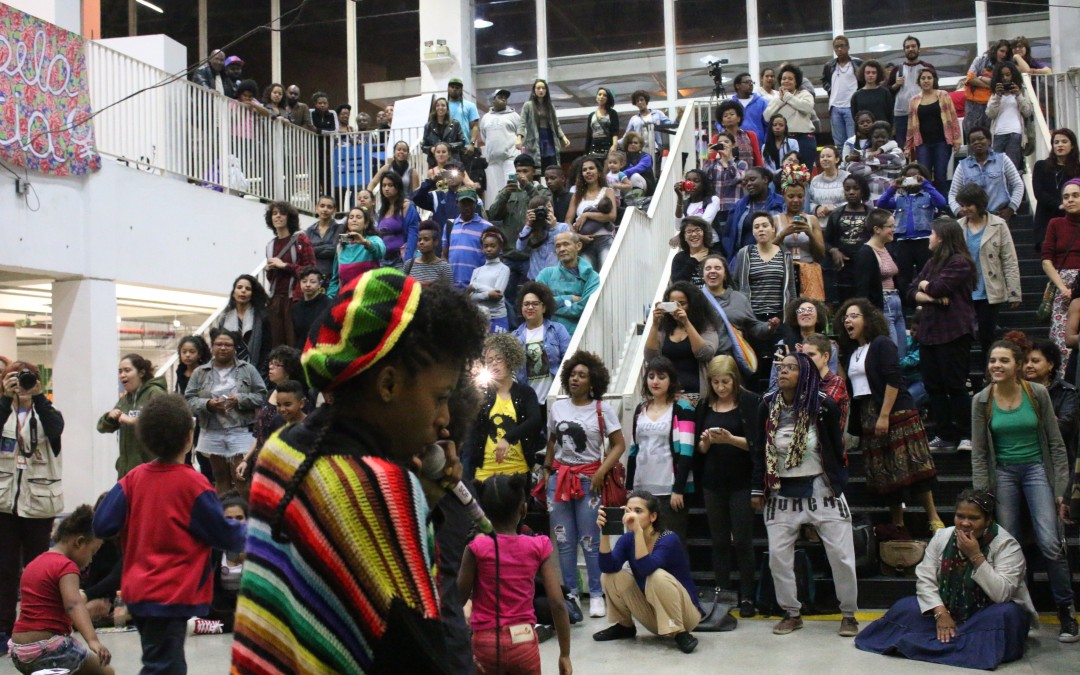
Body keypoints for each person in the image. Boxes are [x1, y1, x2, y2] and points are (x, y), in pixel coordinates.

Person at [231, 269, 487, 674]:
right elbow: (417, 652)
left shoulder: (280, 450)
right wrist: (415, 503)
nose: (444, 419)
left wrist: (426, 500)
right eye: (440, 397)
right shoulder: (385, 487)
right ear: (388, 385)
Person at [94, 395, 246, 674]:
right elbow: (227, 536)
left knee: (164, 661)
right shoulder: (194, 484)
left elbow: (102, 524)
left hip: (138, 591)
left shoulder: (133, 479)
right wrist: (257, 529)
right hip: (172, 594)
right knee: (164, 666)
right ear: (189, 438)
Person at [855, 489, 1037, 669]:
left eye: (973, 518)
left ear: (988, 520)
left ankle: (929, 644)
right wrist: (941, 613)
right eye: (960, 516)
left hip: (985, 614)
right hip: (948, 609)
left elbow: (1001, 594)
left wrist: (975, 555)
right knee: (905, 607)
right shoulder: (943, 537)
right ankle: (959, 644)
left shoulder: (1006, 545)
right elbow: (925, 579)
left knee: (1006, 614)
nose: (965, 523)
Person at [970, 341, 1079, 641]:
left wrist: (1061, 487)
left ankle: (1066, 611)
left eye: (1004, 360)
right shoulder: (981, 400)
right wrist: (982, 494)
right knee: (1010, 545)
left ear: (1017, 365)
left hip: (1036, 469)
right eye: (992, 360)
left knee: (1050, 543)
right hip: (1003, 473)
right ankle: (1020, 613)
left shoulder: (1037, 393)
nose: (996, 365)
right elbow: (979, 453)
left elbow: (1056, 443)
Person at [752, 352, 859, 638]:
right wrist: (757, 487)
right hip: (781, 490)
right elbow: (759, 449)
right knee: (778, 557)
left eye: (791, 368)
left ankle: (849, 614)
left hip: (821, 487)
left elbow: (837, 447)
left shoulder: (823, 405)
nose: (783, 372)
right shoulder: (766, 404)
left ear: (806, 374)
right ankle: (791, 613)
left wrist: (838, 482)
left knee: (841, 555)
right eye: (781, 367)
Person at [837, 299, 941, 532]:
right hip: (866, 413)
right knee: (885, 470)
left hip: (894, 410)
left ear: (868, 319)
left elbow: (893, 380)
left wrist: (884, 415)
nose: (847, 321)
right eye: (845, 317)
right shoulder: (852, 351)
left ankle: (933, 518)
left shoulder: (882, 343)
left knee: (914, 465)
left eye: (853, 316)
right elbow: (847, 382)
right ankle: (898, 523)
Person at [458, 474, 572, 675]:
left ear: (482, 513)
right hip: (523, 640)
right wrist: (564, 654)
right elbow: (557, 603)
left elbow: (457, 598)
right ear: (523, 509)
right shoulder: (538, 546)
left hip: (485, 643)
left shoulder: (476, 548)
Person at [541, 350, 626, 620]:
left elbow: (619, 444)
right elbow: (552, 441)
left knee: (591, 540)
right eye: (573, 374)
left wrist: (602, 470)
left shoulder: (602, 409)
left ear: (593, 381)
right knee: (564, 541)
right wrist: (546, 470)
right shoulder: (557, 407)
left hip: (590, 480)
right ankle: (572, 595)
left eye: (582, 375)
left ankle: (597, 594)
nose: (575, 379)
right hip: (559, 479)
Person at [0, 362, 65, 653]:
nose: (22, 385)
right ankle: (2, 629)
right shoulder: (3, 412)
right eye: (14, 379)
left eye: (27, 379)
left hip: (39, 504)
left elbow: (56, 429)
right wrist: (5, 399)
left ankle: (39, 627)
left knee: (38, 570)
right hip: (4, 504)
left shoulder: (47, 413)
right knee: (4, 570)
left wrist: (38, 397)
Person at [593, 491, 703, 654]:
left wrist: (638, 532)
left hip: (685, 615)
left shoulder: (668, 539)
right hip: (655, 613)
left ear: (653, 517)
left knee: (656, 576)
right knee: (611, 576)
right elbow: (608, 567)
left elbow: (646, 568)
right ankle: (625, 626)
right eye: (628, 510)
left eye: (638, 511)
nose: (632, 516)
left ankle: (679, 632)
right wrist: (604, 533)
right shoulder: (627, 539)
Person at [8, 505, 112, 675]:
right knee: (106, 672)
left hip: (19, 650)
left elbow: (46, 609)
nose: (91, 560)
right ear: (79, 542)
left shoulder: (35, 563)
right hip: (49, 649)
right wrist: (93, 640)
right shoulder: (66, 566)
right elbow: (73, 604)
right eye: (93, 552)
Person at [696, 355, 760, 617]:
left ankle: (747, 596)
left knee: (743, 540)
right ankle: (722, 592)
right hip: (713, 482)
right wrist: (706, 443)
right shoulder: (705, 405)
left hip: (741, 482)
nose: (721, 388)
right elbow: (700, 450)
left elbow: (757, 444)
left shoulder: (750, 402)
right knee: (719, 541)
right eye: (715, 382)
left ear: (735, 379)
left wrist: (731, 439)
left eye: (725, 382)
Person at [910, 218, 977, 451]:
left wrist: (926, 286)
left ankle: (967, 434)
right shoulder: (931, 263)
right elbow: (910, 291)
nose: (929, 237)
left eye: (931, 233)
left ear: (942, 237)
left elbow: (937, 287)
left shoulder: (960, 262)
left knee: (955, 385)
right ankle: (944, 434)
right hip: (929, 332)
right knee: (934, 387)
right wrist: (932, 297)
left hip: (954, 332)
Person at [185, 328, 268, 495]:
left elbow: (262, 395)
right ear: (212, 346)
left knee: (241, 477)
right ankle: (223, 510)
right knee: (220, 477)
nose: (223, 348)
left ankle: (243, 510)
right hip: (211, 429)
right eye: (219, 344)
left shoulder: (248, 369)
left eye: (228, 345)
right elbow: (189, 399)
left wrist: (239, 400)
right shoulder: (200, 372)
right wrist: (208, 404)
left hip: (240, 429)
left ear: (235, 347)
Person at [626, 357, 696, 542]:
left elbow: (687, 451)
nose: (655, 381)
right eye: (651, 376)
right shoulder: (640, 408)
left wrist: (678, 489)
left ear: (671, 380)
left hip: (670, 489)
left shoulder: (683, 408)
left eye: (661, 377)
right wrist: (629, 487)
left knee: (671, 543)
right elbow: (633, 450)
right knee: (641, 543)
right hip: (641, 488)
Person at [955, 184, 1022, 357]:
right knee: (963, 336)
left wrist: (1014, 292)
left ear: (979, 204)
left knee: (987, 335)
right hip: (964, 291)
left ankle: (990, 369)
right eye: (962, 205)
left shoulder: (999, 225)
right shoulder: (957, 227)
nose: (964, 209)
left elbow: (1009, 259)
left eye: (968, 205)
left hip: (989, 289)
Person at [469, 335, 542, 481]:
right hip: (485, 471)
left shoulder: (525, 392)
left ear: (510, 360)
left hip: (518, 470)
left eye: (499, 359)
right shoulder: (481, 393)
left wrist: (508, 439)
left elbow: (535, 420)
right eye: (489, 360)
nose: (494, 364)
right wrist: (473, 392)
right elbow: (470, 425)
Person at [876, 164, 944, 303]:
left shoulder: (928, 196)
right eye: (908, 177)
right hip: (903, 241)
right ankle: (907, 303)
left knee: (926, 273)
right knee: (903, 275)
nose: (912, 180)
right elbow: (881, 203)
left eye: (915, 177)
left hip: (924, 241)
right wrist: (893, 187)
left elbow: (942, 202)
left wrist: (926, 184)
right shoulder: (899, 198)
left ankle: (925, 302)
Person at [235, 359, 308, 485]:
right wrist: (245, 460)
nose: (282, 409)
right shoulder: (276, 421)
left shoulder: (310, 427)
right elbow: (260, 438)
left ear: (301, 403)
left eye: (288, 404)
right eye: (278, 405)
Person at [489, 154, 553, 296]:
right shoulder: (507, 191)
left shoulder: (542, 191)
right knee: (505, 296)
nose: (521, 175)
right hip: (509, 254)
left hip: (532, 254)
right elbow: (493, 215)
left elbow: (547, 208)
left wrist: (528, 186)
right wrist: (505, 194)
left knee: (533, 294)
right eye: (518, 171)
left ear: (533, 172)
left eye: (525, 171)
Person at [644, 281, 720, 402]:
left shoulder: (705, 327)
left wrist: (686, 322)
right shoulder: (664, 329)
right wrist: (655, 325)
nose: (677, 308)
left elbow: (705, 354)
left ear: (693, 304)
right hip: (669, 396)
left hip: (697, 395)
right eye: (672, 304)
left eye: (682, 304)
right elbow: (650, 358)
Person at [95, 354, 167, 479]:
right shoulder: (125, 400)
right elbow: (101, 427)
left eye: (127, 370)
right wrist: (109, 417)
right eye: (120, 371)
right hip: (126, 472)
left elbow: (163, 423)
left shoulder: (155, 392)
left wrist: (133, 421)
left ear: (141, 373)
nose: (122, 375)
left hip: (151, 470)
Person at [854, 209, 907, 356]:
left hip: (897, 304)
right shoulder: (866, 253)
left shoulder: (888, 249)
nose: (893, 230)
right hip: (882, 306)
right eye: (890, 226)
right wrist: (867, 316)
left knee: (902, 353)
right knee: (890, 352)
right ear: (877, 229)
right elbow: (862, 288)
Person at [263, 201, 315, 349]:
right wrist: (270, 270)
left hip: (295, 298)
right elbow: (272, 278)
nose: (278, 216)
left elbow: (311, 271)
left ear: (289, 217)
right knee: (276, 343)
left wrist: (285, 265)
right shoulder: (270, 245)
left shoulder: (301, 240)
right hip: (276, 299)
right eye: (274, 213)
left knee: (294, 343)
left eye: (282, 213)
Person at [1041, 179, 1080, 374]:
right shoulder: (1055, 224)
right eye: (1066, 197)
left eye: (1075, 195)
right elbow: (1046, 260)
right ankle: (1065, 384)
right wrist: (1064, 288)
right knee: (1061, 341)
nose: (1070, 200)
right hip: (1062, 285)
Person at [773, 164, 827, 301]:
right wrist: (783, 234)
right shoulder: (775, 220)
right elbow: (767, 249)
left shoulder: (812, 220)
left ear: (804, 197)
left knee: (807, 309)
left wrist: (809, 233)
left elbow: (821, 254)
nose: (796, 200)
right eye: (791, 196)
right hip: (784, 272)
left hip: (808, 272)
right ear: (784, 196)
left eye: (800, 196)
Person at [904, 67, 961, 196]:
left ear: (934, 80)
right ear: (919, 81)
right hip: (922, 143)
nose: (926, 81)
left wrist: (957, 139)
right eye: (923, 78)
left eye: (929, 78)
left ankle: (942, 203)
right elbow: (910, 126)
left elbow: (953, 118)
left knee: (941, 174)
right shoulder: (913, 100)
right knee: (924, 175)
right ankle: (926, 202)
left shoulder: (943, 95)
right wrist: (908, 146)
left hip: (942, 142)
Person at [1022, 336, 1079, 463]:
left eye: (1035, 361)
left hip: (1056, 458)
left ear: (1050, 365)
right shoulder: (1017, 391)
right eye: (1025, 362)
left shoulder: (1066, 392)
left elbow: (1064, 427)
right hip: (1023, 456)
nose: (1029, 365)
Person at [512, 281, 571, 403]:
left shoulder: (558, 330)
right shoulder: (514, 337)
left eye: (535, 304)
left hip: (555, 397)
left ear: (544, 307)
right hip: (527, 402)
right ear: (521, 308)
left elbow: (569, 361)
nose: (530, 307)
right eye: (526, 304)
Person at [734, 212, 797, 323]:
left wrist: (791, 316)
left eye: (765, 225)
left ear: (773, 229)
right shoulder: (744, 253)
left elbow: (791, 288)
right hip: (752, 317)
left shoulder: (785, 254)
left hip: (779, 316)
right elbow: (736, 283)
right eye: (756, 227)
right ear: (753, 232)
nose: (761, 229)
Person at [535, 232, 600, 336]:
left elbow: (584, 308)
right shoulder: (546, 274)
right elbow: (537, 304)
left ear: (578, 246)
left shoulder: (592, 277)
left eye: (566, 244)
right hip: (550, 335)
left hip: (581, 335)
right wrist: (570, 298)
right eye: (558, 246)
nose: (562, 249)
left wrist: (551, 305)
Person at [824, 173, 871, 304]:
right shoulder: (836, 214)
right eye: (847, 189)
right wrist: (833, 250)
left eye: (856, 188)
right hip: (843, 268)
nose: (851, 192)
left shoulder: (871, 213)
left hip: (866, 267)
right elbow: (826, 241)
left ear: (863, 191)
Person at [722, 167, 786, 261]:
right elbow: (727, 235)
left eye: (752, 179)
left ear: (765, 179)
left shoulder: (781, 203)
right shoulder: (739, 206)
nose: (748, 184)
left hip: (775, 258)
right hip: (745, 258)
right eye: (746, 181)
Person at [566, 156, 618, 272]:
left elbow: (612, 216)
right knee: (588, 276)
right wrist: (577, 236)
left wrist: (586, 215)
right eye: (584, 170)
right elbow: (568, 221)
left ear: (598, 172)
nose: (588, 172)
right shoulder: (576, 195)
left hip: (604, 239)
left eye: (591, 168)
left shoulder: (608, 191)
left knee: (607, 273)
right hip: (584, 243)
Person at [1033, 129, 1080, 252]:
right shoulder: (1041, 166)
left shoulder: (1077, 169)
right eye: (1056, 142)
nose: (1060, 145)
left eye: (1064, 141)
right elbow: (1039, 192)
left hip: (1071, 220)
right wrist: (1059, 205)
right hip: (1045, 220)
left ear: (1072, 145)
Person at [215, 274, 271, 376]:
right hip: (229, 371)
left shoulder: (262, 318)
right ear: (233, 293)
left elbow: (266, 349)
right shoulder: (224, 319)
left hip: (256, 371)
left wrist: (261, 373)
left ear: (252, 294)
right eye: (239, 287)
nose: (243, 291)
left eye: (248, 289)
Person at [326, 207, 386, 299]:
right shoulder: (341, 246)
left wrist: (364, 242)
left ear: (366, 224)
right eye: (351, 217)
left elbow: (380, 252)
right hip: (347, 298)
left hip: (371, 297)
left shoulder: (373, 239)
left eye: (358, 217)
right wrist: (329, 299)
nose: (354, 219)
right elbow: (335, 279)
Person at [986, 61, 1034, 175]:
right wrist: (997, 96)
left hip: (1015, 133)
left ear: (1013, 75)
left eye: (1008, 75)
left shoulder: (1021, 92)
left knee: (1012, 169)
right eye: (1002, 75)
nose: (1005, 78)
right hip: (998, 134)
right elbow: (990, 114)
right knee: (997, 169)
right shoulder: (994, 95)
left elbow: (1027, 112)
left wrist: (1018, 95)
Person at [887, 36, 935, 146]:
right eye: (907, 47)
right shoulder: (897, 69)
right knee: (903, 146)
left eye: (913, 46)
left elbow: (935, 89)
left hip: (923, 112)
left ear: (919, 49)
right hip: (902, 115)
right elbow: (887, 91)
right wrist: (896, 85)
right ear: (904, 50)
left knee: (924, 145)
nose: (910, 49)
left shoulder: (927, 67)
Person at [963, 40, 1012, 140]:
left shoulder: (1006, 66)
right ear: (995, 50)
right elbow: (970, 79)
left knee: (989, 138)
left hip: (992, 104)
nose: (1004, 55)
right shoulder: (980, 60)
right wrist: (990, 85)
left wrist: (981, 78)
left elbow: (1002, 84)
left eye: (1006, 52)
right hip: (974, 105)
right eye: (1001, 51)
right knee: (973, 136)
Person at [847, 121, 905, 204]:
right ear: (871, 137)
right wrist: (882, 165)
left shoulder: (896, 150)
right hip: (869, 199)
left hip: (892, 198)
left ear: (888, 137)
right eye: (876, 137)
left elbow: (898, 160)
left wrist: (865, 162)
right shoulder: (863, 153)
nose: (880, 139)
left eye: (883, 137)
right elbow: (852, 169)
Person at [517, 79, 570, 171]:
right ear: (534, 90)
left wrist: (563, 137)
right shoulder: (528, 105)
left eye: (543, 88)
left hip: (549, 138)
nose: (541, 90)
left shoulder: (550, 106)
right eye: (538, 88)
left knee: (551, 166)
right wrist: (519, 138)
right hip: (535, 139)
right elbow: (522, 122)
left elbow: (556, 124)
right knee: (536, 167)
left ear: (546, 90)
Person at [480, 88, 521, 202]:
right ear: (493, 100)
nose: (503, 99)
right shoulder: (486, 117)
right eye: (500, 97)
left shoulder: (514, 115)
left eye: (505, 97)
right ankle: (503, 210)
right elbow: (484, 136)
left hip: (510, 158)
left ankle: (514, 207)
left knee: (512, 185)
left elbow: (521, 133)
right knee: (500, 190)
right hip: (493, 160)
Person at [447, 188, 493, 289]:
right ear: (457, 203)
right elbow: (444, 254)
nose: (467, 207)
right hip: (453, 288)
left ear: (475, 203)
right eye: (463, 203)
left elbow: (494, 258)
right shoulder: (450, 226)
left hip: (477, 286)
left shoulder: (487, 227)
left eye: (470, 203)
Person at [822, 35, 864, 147]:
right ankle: (841, 159)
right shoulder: (829, 65)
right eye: (836, 47)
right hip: (835, 107)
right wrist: (830, 89)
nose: (839, 49)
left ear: (848, 47)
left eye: (842, 46)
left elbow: (863, 81)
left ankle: (852, 159)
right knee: (839, 143)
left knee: (852, 140)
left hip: (851, 107)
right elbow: (824, 81)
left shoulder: (857, 63)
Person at [469, 228, 512, 333]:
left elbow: (497, 295)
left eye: (493, 246)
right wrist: (488, 294)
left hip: (497, 318)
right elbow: (470, 297)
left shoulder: (504, 269)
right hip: (479, 318)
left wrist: (475, 286)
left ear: (500, 247)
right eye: (486, 246)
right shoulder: (477, 271)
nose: (489, 249)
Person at [703, 131, 748, 228]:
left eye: (726, 142)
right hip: (716, 208)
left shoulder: (741, 163)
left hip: (734, 206)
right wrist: (708, 157)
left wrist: (729, 160)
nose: (723, 144)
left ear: (733, 145)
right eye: (720, 142)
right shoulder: (713, 163)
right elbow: (704, 179)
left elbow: (738, 178)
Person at [377, 170, 421, 267]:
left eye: (390, 185)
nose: (386, 189)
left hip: (400, 260)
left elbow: (413, 235)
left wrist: (407, 261)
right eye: (384, 185)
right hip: (383, 260)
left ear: (398, 187)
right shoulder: (383, 209)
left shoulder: (407, 206)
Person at [625, 90, 674, 166]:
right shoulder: (634, 119)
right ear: (635, 104)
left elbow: (669, 124)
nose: (640, 102)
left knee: (655, 169)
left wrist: (678, 118)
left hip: (656, 149)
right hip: (640, 150)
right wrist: (615, 144)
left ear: (646, 101)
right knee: (643, 170)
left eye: (641, 100)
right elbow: (627, 136)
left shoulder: (657, 113)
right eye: (637, 101)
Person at [711, 99, 762, 168]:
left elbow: (758, 159)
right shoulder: (717, 138)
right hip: (726, 173)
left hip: (749, 173)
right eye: (725, 116)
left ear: (738, 118)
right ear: (722, 122)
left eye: (732, 114)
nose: (729, 117)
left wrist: (760, 171)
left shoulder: (750, 135)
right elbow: (712, 160)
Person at [670, 217, 720, 287]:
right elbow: (677, 284)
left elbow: (724, 282)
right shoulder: (679, 258)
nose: (694, 234)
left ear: (704, 233)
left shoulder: (715, 256)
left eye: (697, 230)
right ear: (684, 237)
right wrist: (693, 260)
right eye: (689, 231)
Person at [304, 195, 343, 284]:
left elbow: (336, 250)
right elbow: (306, 253)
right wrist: (326, 246)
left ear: (334, 210)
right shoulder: (309, 230)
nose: (325, 209)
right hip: (312, 279)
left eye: (329, 207)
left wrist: (313, 249)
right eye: (322, 206)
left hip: (333, 278)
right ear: (316, 208)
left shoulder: (341, 228)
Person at [404, 220, 455, 286]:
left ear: (436, 242)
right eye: (419, 240)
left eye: (426, 239)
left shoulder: (444, 268)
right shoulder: (409, 265)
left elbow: (448, 291)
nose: (421, 242)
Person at [292, 266, 332, 346]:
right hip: (300, 350)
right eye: (304, 281)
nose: (308, 285)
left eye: (312, 282)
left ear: (319, 284)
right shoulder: (296, 307)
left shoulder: (328, 304)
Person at [808, 145, 849, 220]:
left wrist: (835, 208)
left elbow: (855, 200)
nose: (825, 159)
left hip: (842, 221)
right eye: (822, 157)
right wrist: (817, 208)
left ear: (837, 159)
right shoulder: (815, 180)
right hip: (820, 223)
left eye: (829, 156)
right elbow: (810, 201)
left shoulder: (847, 177)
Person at [422, 97, 466, 167]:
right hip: (434, 162)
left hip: (453, 161)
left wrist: (447, 147)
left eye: (443, 105)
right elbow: (423, 146)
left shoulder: (455, 124)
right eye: (437, 105)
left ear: (447, 108)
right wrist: (431, 149)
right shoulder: (428, 126)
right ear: (434, 108)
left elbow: (462, 142)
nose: (440, 107)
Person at [850, 60, 893, 129]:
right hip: (864, 132)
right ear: (863, 74)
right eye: (868, 72)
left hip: (882, 131)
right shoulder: (856, 96)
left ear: (878, 74)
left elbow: (890, 113)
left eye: (874, 73)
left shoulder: (885, 92)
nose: (870, 75)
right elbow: (855, 117)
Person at [730, 73, 769, 145]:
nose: (751, 84)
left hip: (758, 145)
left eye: (751, 82)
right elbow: (720, 122)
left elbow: (768, 124)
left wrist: (766, 142)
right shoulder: (730, 104)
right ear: (737, 86)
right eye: (747, 82)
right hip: (735, 145)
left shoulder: (762, 102)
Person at [584, 87, 620, 155]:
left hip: (607, 143)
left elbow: (615, 131)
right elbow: (589, 135)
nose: (601, 97)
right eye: (599, 94)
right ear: (596, 97)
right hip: (594, 144)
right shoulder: (591, 115)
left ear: (608, 98)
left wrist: (614, 145)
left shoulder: (612, 113)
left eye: (604, 95)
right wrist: (586, 152)